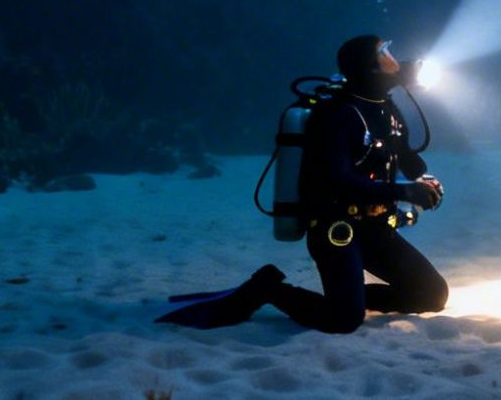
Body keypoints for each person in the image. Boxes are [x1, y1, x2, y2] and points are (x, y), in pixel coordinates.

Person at [157, 35, 448, 332]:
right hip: (336, 228)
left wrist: (422, 181)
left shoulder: (385, 108)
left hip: (375, 228)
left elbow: (411, 162)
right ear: (370, 67)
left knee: (432, 294)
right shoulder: (338, 114)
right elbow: (339, 182)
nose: (394, 58)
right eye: (384, 52)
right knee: (344, 320)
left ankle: (350, 298)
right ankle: (269, 289)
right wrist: (406, 191)